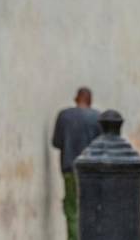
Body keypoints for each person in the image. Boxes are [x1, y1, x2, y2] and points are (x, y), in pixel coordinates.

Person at [51, 87, 102, 240]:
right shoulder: (97, 117)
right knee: (91, 208)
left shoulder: (64, 116)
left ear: (76, 98)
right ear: (90, 101)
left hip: (69, 168)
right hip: (91, 171)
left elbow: (56, 142)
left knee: (72, 208)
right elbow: (102, 146)